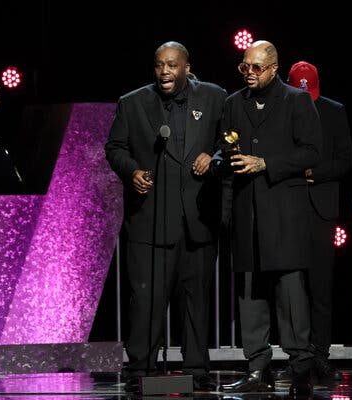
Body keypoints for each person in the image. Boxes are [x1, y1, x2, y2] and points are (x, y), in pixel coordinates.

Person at [104, 41, 226, 392]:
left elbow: (229, 141)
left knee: (196, 299)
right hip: (151, 220)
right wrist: (132, 172)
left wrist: (214, 157)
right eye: (159, 66)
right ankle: (141, 367)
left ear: (187, 66)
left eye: (172, 65)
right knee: (146, 299)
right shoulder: (133, 102)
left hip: (197, 219)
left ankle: (196, 367)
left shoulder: (215, 97)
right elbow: (115, 147)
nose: (164, 72)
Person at [218, 40, 322, 392]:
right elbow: (227, 151)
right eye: (244, 66)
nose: (248, 73)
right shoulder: (234, 104)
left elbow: (312, 151)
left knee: (290, 293)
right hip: (247, 212)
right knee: (250, 293)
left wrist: (267, 164)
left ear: (274, 68)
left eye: (256, 67)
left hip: (284, 213)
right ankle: (256, 368)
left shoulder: (295, 100)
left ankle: (301, 367)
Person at [285, 60, 352, 381]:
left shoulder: (334, 111)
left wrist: (312, 172)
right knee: (289, 289)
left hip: (320, 209)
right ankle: (297, 357)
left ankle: (320, 355)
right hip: (287, 209)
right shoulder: (279, 110)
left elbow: (345, 159)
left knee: (320, 287)